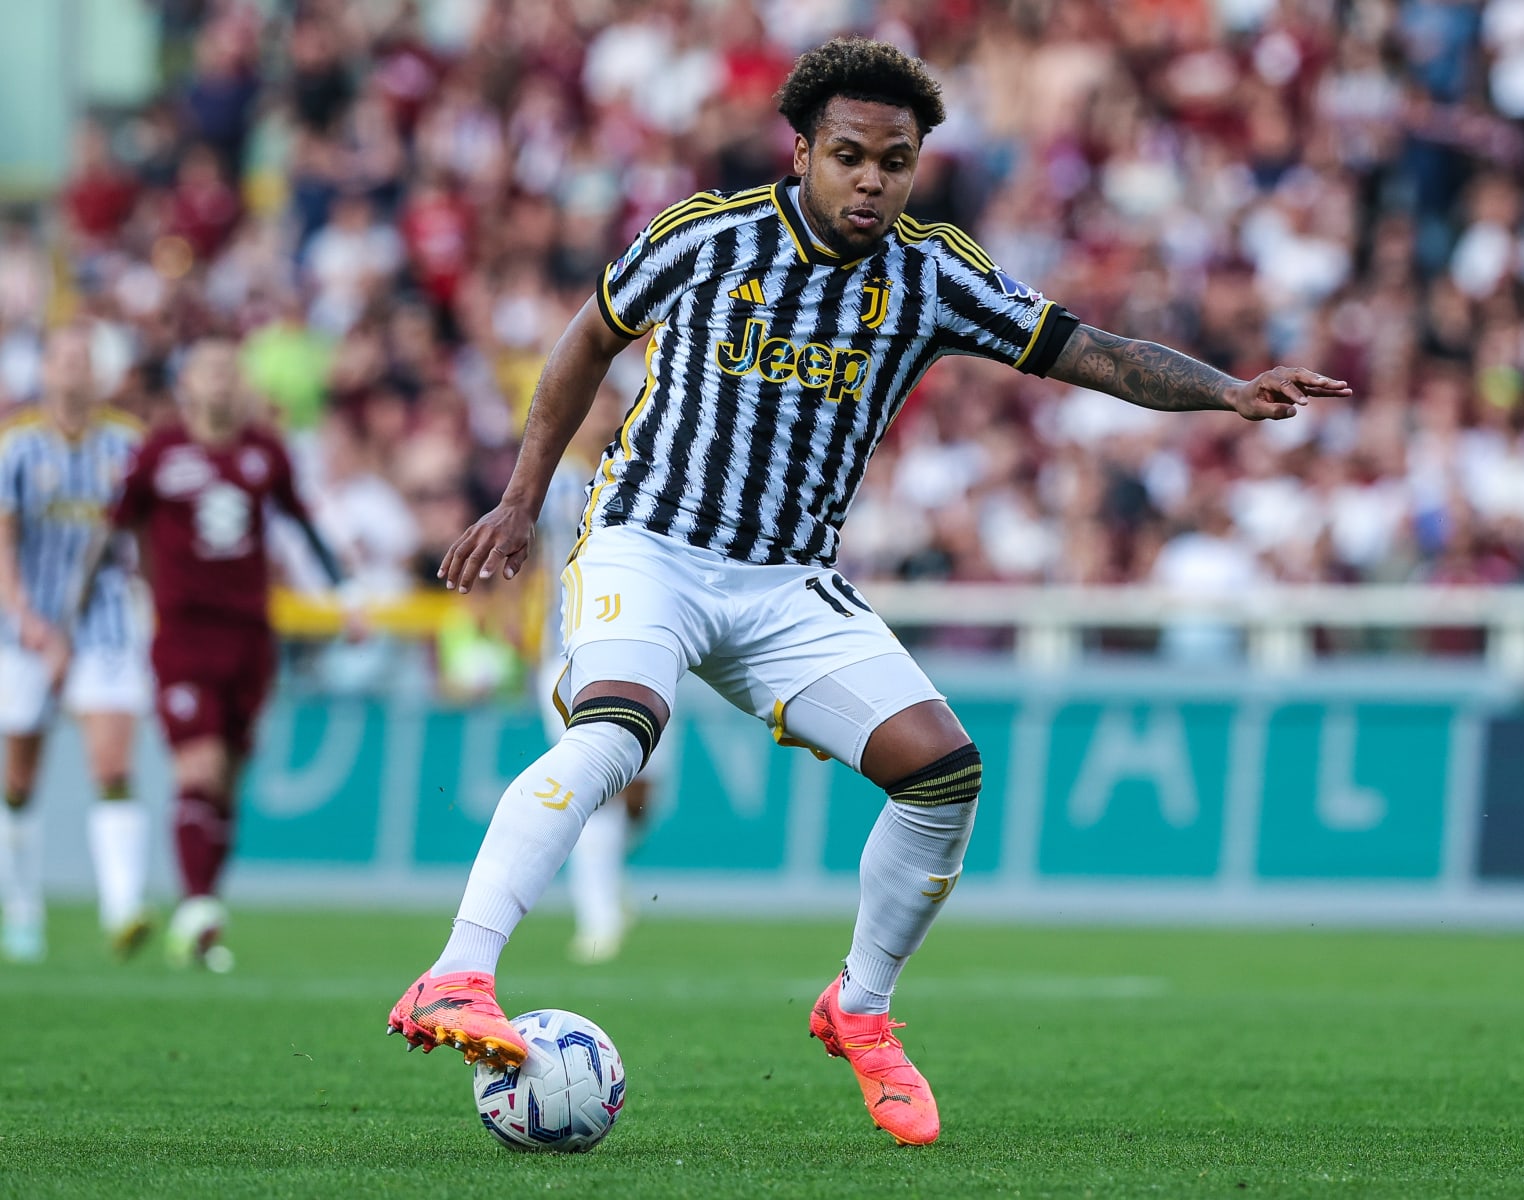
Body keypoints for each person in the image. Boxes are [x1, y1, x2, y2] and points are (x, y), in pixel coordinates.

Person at [387, 37, 1349, 1147]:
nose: (872, 181)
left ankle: (861, 1009)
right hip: (649, 544)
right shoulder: (709, 236)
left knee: (943, 772)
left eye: (895, 161)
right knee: (617, 733)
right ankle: (458, 973)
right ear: (801, 151)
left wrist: (1227, 390)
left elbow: (1088, 349)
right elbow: (589, 337)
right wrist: (520, 497)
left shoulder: (934, 271)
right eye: (849, 156)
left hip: (789, 580)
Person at [106, 337, 345, 970]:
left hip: (249, 634)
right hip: (184, 631)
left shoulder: (265, 450)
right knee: (200, 768)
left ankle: (203, 910)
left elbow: (302, 521)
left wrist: (344, 596)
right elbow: (119, 524)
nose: (221, 382)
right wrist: (129, 593)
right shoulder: (159, 450)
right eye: (209, 370)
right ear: (187, 384)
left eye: (229, 372)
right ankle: (197, 905)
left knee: (229, 782)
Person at [0, 326, 153, 963]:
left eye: (83, 360)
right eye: (63, 358)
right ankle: (23, 907)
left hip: (108, 624)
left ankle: (123, 910)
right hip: (25, 631)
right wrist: (27, 618)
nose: (73, 371)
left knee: (113, 765)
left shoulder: (128, 446)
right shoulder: (17, 449)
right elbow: (4, 543)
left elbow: (148, 539)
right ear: (45, 372)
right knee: (19, 778)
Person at [534, 388, 655, 965]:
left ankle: (604, 882)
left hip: (640, 652)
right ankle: (597, 917)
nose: (603, 415)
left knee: (642, 795)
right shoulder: (556, 483)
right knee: (594, 786)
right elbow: (531, 560)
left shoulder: (647, 469)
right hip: (565, 653)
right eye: (596, 405)